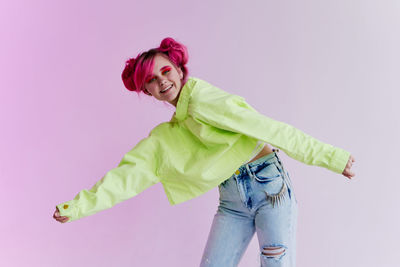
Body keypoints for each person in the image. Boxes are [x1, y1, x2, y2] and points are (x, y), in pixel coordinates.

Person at [53, 37, 356, 266]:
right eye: (151, 80)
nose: (162, 81)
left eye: (165, 71)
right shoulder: (167, 137)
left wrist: (332, 158)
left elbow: (267, 128)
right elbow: (127, 176)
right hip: (232, 201)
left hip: (268, 188)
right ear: (145, 91)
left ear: (179, 69)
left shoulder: (201, 98)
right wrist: (76, 208)